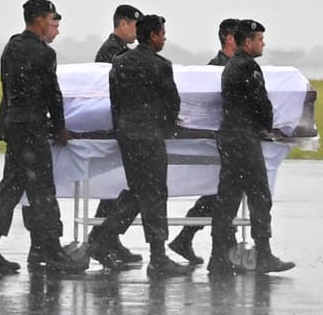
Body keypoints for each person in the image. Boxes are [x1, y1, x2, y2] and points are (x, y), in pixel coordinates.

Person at [0, 0, 82, 276]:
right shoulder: (44, 54)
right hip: (32, 129)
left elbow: (7, 90)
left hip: (15, 126)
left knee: (10, 187)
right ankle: (51, 250)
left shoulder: (11, 47)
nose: (54, 24)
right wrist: (60, 127)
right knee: (42, 191)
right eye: (52, 19)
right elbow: (53, 94)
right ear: (40, 19)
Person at [91, 14, 193, 278]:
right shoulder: (161, 65)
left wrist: (122, 129)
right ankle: (157, 257)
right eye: (162, 34)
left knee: (138, 191)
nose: (164, 39)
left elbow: (114, 100)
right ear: (153, 36)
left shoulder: (120, 62)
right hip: (150, 136)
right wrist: (165, 129)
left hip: (128, 136)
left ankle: (103, 238)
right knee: (155, 193)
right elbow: (172, 103)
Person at [209, 19, 295, 278]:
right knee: (259, 195)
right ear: (247, 42)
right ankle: (264, 254)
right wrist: (267, 124)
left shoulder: (231, 66)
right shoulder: (248, 67)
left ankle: (218, 256)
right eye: (259, 39)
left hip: (229, 135)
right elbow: (261, 104)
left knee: (228, 198)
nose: (263, 44)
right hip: (244, 137)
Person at [169, 17, 241, 265]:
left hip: (221, 137)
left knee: (219, 192)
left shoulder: (229, 66)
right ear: (230, 39)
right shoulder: (215, 69)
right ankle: (222, 248)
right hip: (218, 138)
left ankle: (188, 238)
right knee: (223, 192)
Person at [90, 4, 144, 266]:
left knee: (115, 186)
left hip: (119, 124)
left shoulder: (118, 50)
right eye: (135, 25)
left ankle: (104, 238)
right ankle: (102, 239)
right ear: (123, 23)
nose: (137, 31)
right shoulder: (112, 52)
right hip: (118, 124)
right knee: (121, 186)